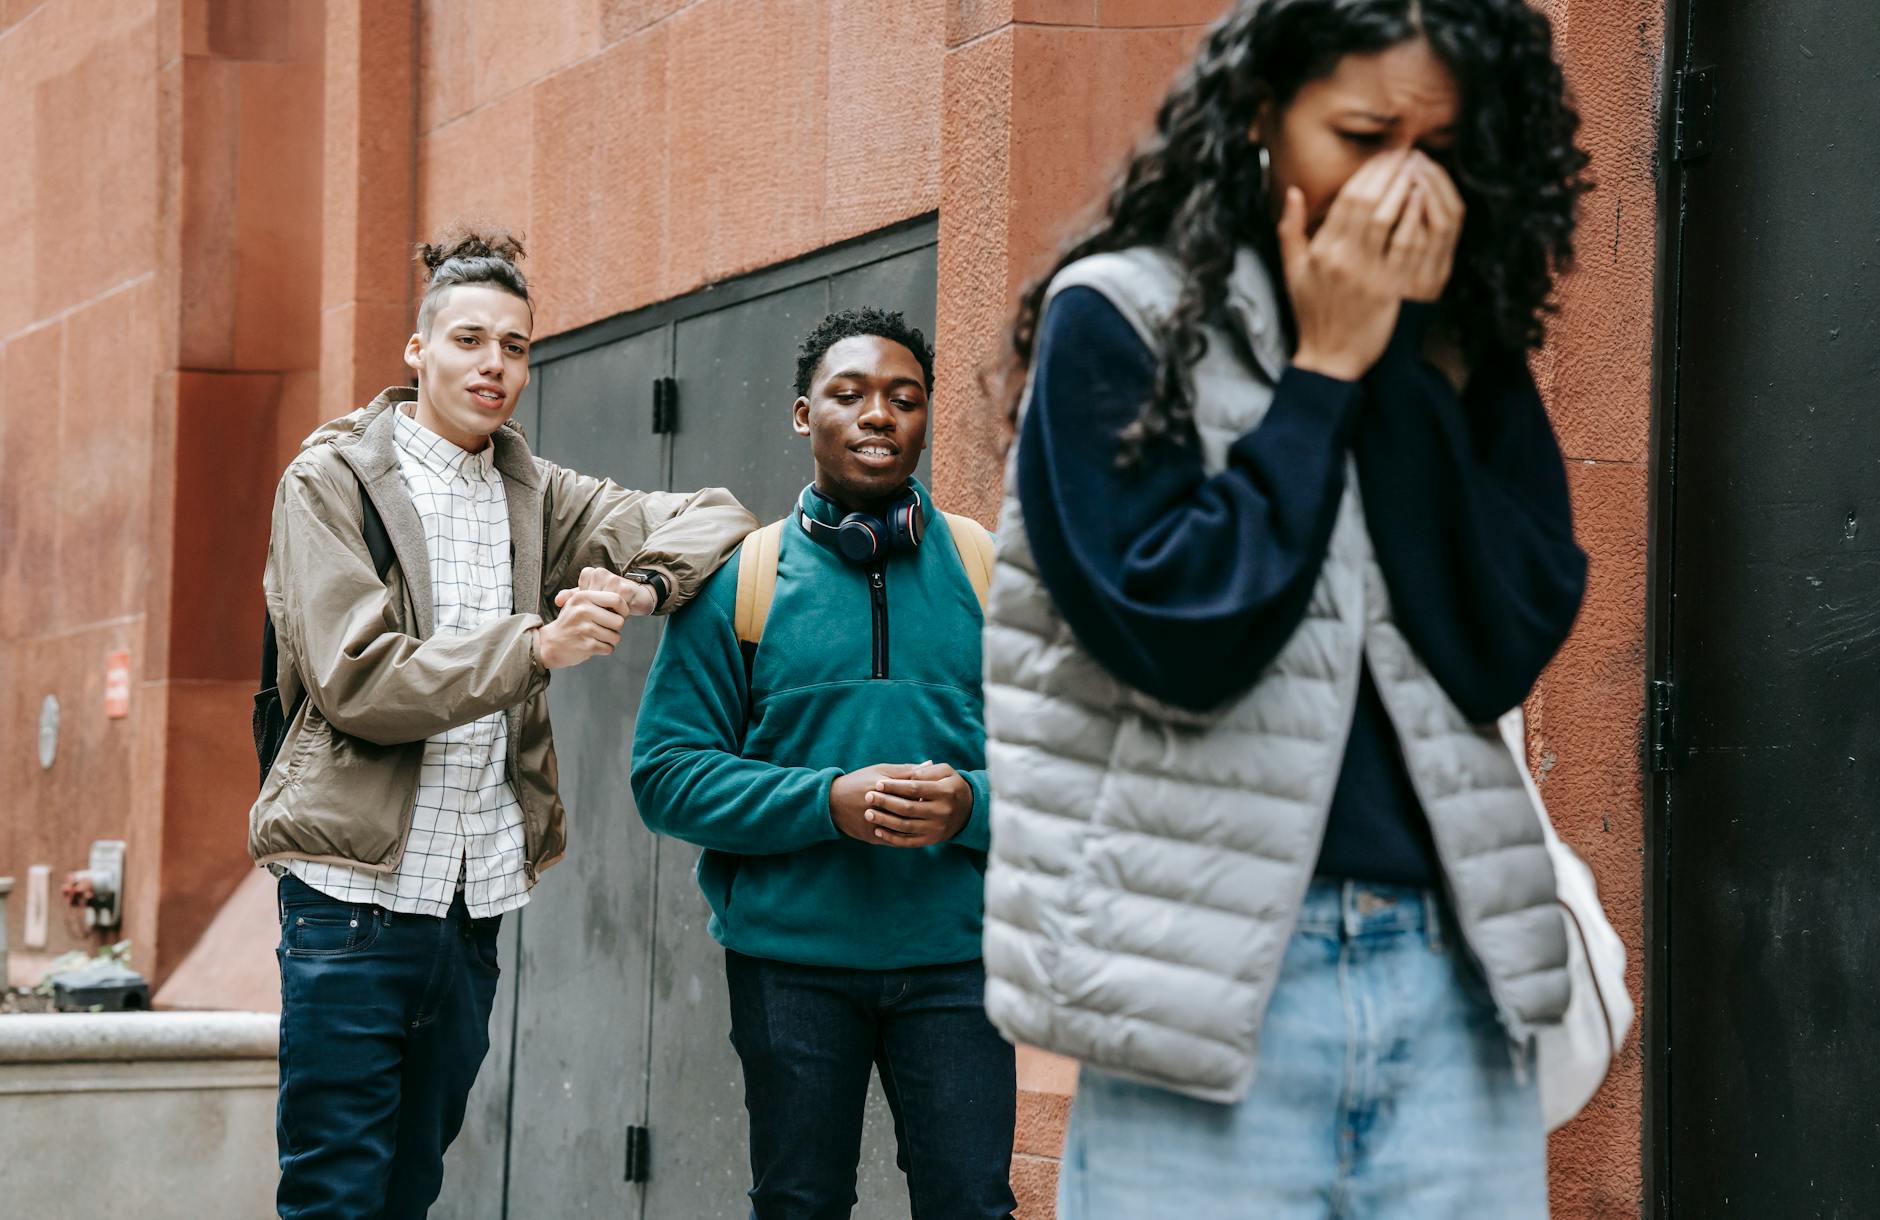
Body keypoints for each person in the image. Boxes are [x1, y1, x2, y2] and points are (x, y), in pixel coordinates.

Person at [977, 1, 1592, 1215]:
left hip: (1447, 980)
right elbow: (1175, 636)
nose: (1399, 184)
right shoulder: (1117, 315)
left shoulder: (1459, 340)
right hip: (1203, 997)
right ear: (1261, 117)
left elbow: (1496, 645)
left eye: (1441, 147)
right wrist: (1318, 377)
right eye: (1361, 135)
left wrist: (1394, 363)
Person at [250, 230, 755, 1219]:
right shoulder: (333, 481)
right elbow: (360, 679)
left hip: (466, 905)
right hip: (350, 900)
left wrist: (644, 586)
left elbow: (715, 511)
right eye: (469, 339)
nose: (493, 366)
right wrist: (536, 647)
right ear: (417, 348)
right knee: (333, 1194)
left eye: (515, 346)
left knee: (410, 1189)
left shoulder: (535, 492)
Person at [631, 308, 1017, 1220]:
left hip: (961, 964)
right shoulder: (740, 580)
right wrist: (825, 801)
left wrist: (973, 804)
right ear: (805, 416)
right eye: (849, 395)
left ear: (924, 420)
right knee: (799, 1204)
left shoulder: (989, 575)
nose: (878, 414)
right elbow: (666, 773)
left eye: (903, 398)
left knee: (972, 1204)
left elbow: (1071, 771)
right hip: (790, 970)